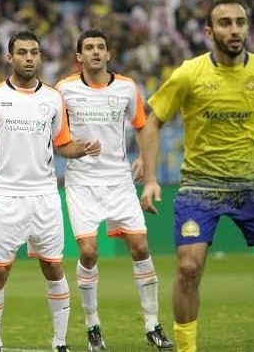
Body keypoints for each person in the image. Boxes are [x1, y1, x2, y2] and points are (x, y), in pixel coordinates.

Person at [139, 0, 254, 352]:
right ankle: (186, 348)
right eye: (225, 23)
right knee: (189, 268)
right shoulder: (189, 74)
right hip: (199, 188)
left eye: (240, 22)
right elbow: (153, 122)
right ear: (210, 32)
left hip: (252, 187)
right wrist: (150, 179)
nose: (235, 30)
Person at [0, 31, 101, 352]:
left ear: (40, 57)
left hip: (45, 197)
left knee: (53, 267)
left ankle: (60, 343)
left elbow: (63, 144)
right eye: (22, 52)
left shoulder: (53, 98)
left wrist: (83, 148)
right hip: (5, 196)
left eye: (34, 52)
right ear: (10, 58)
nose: (28, 58)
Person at [55, 28, 173, 351]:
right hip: (81, 182)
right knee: (89, 252)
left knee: (140, 246)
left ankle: (152, 324)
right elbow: (55, 137)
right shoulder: (63, 90)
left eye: (101, 47)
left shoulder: (125, 88)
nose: (95, 52)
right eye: (89, 48)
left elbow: (144, 129)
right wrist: (73, 148)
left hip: (119, 181)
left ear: (108, 54)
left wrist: (146, 168)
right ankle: (93, 327)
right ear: (79, 57)